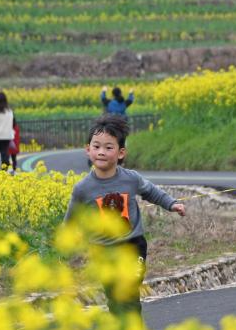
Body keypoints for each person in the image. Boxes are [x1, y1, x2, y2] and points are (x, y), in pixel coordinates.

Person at [63, 114, 185, 317]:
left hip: (132, 245)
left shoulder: (131, 179)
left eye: (108, 147)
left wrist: (172, 204)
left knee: (128, 289)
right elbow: (71, 218)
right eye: (96, 146)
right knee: (114, 296)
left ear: (121, 153)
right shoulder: (83, 188)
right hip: (102, 250)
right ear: (88, 150)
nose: (101, 152)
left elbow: (152, 192)